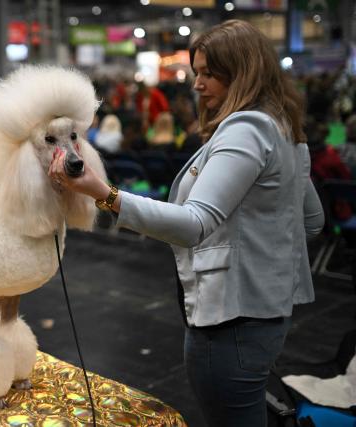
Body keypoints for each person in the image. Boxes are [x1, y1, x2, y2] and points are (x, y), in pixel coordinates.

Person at [50, 20, 324, 426]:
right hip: (266, 317)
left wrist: (103, 193)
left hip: (229, 323)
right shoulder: (284, 129)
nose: (197, 84)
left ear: (244, 72)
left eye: (209, 74)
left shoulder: (246, 130)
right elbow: (312, 222)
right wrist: (259, 248)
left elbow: (195, 224)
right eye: (198, 72)